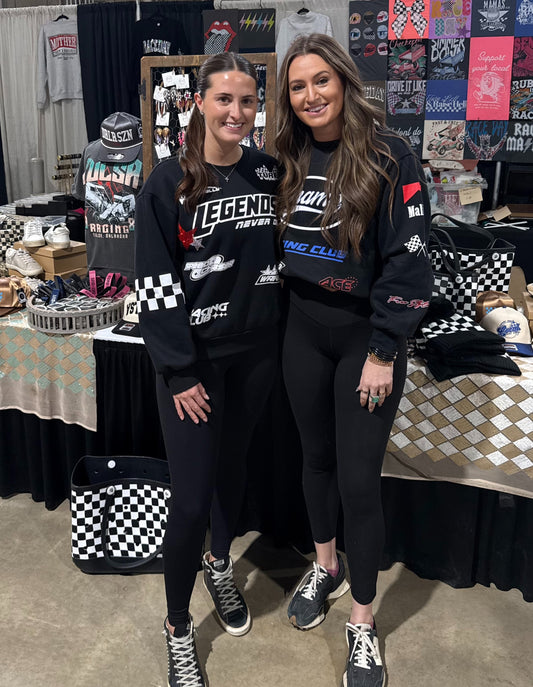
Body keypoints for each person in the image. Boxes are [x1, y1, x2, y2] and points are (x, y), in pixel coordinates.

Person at [276, 34, 433, 687]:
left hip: (364, 340)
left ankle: (362, 622)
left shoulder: (389, 155)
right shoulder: (285, 155)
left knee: (359, 482)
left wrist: (382, 349)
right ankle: (325, 565)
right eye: (297, 85)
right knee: (314, 460)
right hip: (302, 332)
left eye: (321, 80)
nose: (310, 95)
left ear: (343, 80)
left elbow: (409, 261)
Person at [134, 52, 280, 687]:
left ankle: (220, 565)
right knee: (191, 498)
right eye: (224, 99)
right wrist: (178, 371)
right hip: (194, 367)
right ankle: (176, 627)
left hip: (257, 354)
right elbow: (154, 284)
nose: (236, 112)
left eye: (247, 101)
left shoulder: (268, 172)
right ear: (199, 102)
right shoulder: (166, 183)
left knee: (232, 471)